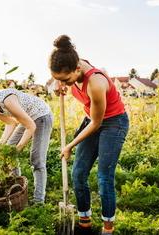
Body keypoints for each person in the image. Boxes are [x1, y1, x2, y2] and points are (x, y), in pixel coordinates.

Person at [49, 35, 129, 234]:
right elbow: (58, 79)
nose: (64, 84)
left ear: (77, 69)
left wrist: (70, 145)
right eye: (60, 79)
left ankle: (107, 228)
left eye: (66, 80)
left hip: (113, 123)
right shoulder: (68, 61)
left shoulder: (96, 82)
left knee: (104, 177)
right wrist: (56, 85)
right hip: (91, 119)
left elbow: (97, 122)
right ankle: (85, 222)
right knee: (78, 174)